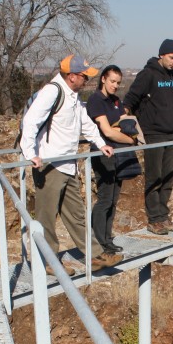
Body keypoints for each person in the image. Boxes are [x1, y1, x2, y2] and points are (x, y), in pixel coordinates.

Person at [20, 53, 118, 274]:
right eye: (84, 76)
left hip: (68, 164)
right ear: (72, 76)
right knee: (46, 217)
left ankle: (95, 256)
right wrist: (30, 153)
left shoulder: (73, 96)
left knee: (77, 215)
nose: (87, 81)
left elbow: (85, 123)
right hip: (50, 164)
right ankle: (48, 262)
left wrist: (101, 144)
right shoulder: (52, 92)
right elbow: (30, 121)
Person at [124, 39, 173, 235]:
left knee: (168, 176)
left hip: (170, 133)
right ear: (162, 55)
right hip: (153, 133)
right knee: (154, 177)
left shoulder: (171, 74)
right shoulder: (148, 74)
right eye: (172, 57)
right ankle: (154, 219)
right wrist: (125, 119)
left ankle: (163, 216)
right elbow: (131, 98)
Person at [86, 65, 138, 256]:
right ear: (103, 80)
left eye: (118, 82)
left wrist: (125, 134)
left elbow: (128, 124)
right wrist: (130, 139)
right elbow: (107, 132)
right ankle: (99, 242)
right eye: (112, 81)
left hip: (119, 154)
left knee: (114, 199)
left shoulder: (116, 101)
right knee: (105, 199)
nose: (115, 85)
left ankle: (107, 239)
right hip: (103, 154)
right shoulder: (95, 100)